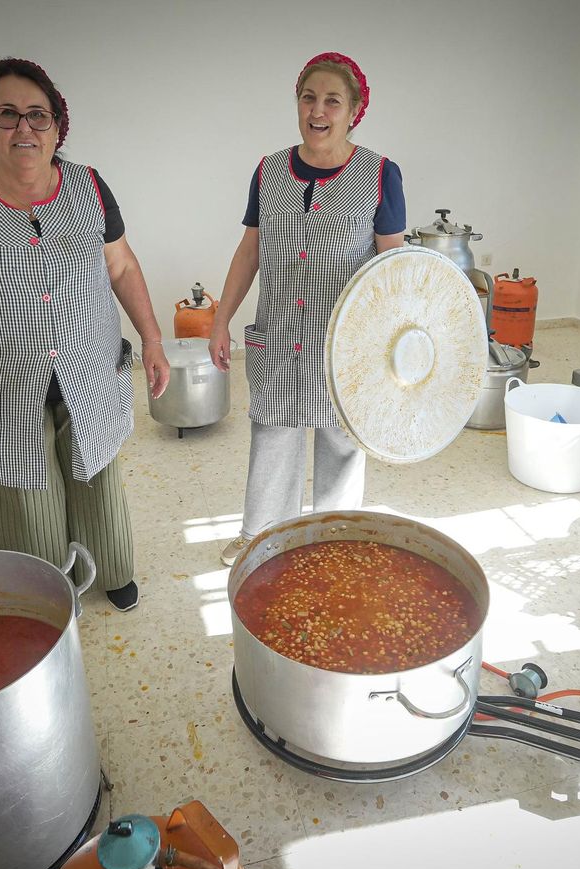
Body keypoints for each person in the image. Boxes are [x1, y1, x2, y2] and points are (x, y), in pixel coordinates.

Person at [0, 58, 169, 610]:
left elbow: (121, 267)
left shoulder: (90, 185)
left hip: (88, 366)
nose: (24, 128)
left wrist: (152, 339)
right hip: (3, 378)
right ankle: (42, 592)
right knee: (25, 493)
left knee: (98, 474)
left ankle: (112, 568)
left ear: (57, 126)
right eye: (8, 114)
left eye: (38, 116)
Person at [208, 52, 406, 567]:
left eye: (332, 101)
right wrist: (220, 318)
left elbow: (394, 268)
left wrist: (396, 349)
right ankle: (261, 536)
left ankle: (335, 540)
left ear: (353, 110)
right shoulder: (269, 170)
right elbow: (249, 249)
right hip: (280, 330)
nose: (318, 110)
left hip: (348, 341)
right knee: (273, 431)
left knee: (342, 443)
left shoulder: (380, 174)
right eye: (308, 97)